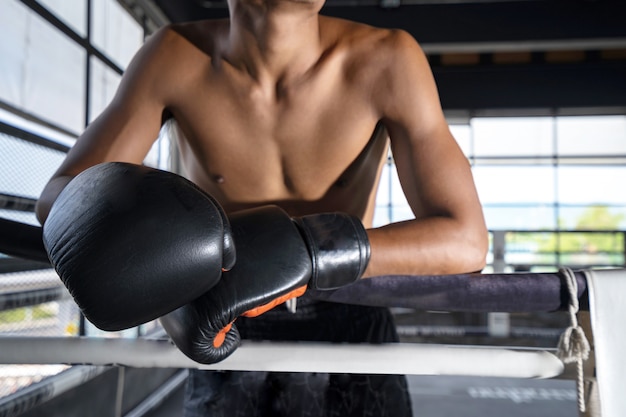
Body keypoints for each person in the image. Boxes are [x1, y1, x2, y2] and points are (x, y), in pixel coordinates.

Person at [36, 0, 488, 414]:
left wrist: (311, 251)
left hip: (351, 312)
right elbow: (61, 196)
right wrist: (163, 261)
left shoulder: (388, 58)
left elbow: (467, 240)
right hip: (224, 322)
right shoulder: (174, 55)